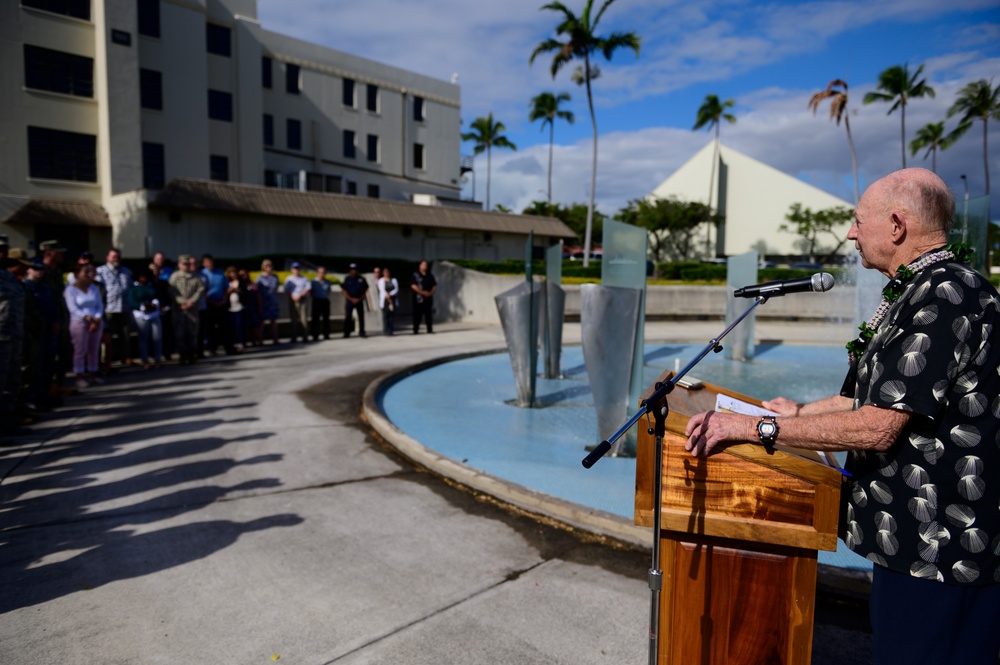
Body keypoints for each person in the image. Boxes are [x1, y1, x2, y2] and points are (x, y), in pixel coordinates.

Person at [683, 168, 1000, 665]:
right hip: (911, 550)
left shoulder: (946, 294)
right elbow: (866, 399)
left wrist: (756, 428)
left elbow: (879, 424)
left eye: (857, 220)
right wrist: (799, 412)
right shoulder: (914, 290)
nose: (850, 233)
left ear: (896, 225)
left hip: (941, 554)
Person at [22, 257, 58, 412]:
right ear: (28, 269)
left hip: (49, 330)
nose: (39, 272)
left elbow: (53, 307)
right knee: (36, 364)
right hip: (35, 332)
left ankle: (44, 393)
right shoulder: (25, 287)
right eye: (35, 269)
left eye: (41, 269)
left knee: (48, 363)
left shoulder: (45, 287)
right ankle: (33, 397)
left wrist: (56, 321)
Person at [0, 239, 27, 435]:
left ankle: (7, 423)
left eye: (4, 250)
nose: (2, 254)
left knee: (12, 382)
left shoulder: (7, 276)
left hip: (14, 333)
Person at [64, 263, 104, 388]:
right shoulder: (70, 290)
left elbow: (99, 305)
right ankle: (79, 376)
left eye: (92, 271)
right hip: (79, 322)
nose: (89, 274)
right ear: (77, 274)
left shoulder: (94, 288)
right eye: (86, 272)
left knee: (93, 349)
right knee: (80, 350)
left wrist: (97, 318)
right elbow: (72, 308)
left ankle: (93, 374)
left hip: (96, 321)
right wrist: (87, 318)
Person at [95, 247, 133, 370]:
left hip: (124, 308)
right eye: (113, 256)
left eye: (117, 256)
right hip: (109, 308)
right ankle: (106, 361)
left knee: (125, 335)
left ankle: (126, 357)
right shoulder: (100, 271)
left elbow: (130, 288)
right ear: (107, 257)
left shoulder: (126, 271)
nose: (115, 259)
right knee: (107, 337)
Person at [168, 255, 206, 365]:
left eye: (188, 264)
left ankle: (191, 355)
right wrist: (182, 302)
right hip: (179, 310)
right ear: (179, 265)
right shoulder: (174, 277)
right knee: (180, 334)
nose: (186, 266)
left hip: (192, 310)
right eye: (184, 264)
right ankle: (182, 355)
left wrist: (191, 302)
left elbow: (201, 290)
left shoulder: (196, 277)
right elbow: (172, 291)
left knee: (192, 333)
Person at [126, 268, 162, 368]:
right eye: (141, 277)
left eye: (145, 276)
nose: (144, 279)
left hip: (154, 314)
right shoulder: (134, 288)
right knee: (143, 338)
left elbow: (157, 296)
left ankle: (157, 359)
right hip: (141, 315)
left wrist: (154, 304)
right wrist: (142, 306)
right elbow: (132, 301)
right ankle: (145, 360)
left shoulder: (151, 286)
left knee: (157, 337)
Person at [200, 254, 230, 354]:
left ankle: (228, 348)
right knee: (210, 328)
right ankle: (212, 349)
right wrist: (211, 301)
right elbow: (202, 292)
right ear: (203, 264)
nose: (210, 263)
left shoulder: (220, 272)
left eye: (211, 261)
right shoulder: (202, 274)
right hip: (209, 303)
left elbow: (226, 287)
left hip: (221, 302)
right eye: (207, 262)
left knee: (224, 326)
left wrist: (224, 299)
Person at [149, 262, 174, 360]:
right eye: (153, 271)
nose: (155, 272)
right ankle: (153, 354)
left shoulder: (163, 283)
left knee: (166, 332)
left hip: (164, 311)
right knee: (153, 335)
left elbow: (169, 297)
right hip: (151, 312)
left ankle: (167, 353)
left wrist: (166, 307)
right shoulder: (147, 284)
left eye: (157, 270)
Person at [283, 262, 311, 342]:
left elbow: (307, 289)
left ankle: (305, 336)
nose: (296, 270)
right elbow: (286, 290)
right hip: (293, 300)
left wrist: (300, 295)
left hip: (302, 300)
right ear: (292, 269)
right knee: (294, 320)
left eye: (298, 268)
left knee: (304, 319)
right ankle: (294, 337)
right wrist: (293, 296)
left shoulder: (304, 278)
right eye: (295, 268)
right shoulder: (289, 279)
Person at [255, 259, 280, 345]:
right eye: (266, 266)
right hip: (264, 302)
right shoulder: (260, 278)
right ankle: (260, 341)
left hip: (273, 302)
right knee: (262, 322)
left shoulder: (275, 277)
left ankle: (275, 339)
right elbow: (256, 291)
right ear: (263, 267)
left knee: (274, 321)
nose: (269, 268)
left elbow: (276, 288)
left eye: (270, 266)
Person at [341, 263, 369, 338]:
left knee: (361, 316)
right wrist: (350, 298)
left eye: (355, 269)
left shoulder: (361, 279)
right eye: (352, 269)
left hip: (359, 300)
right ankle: (347, 332)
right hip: (350, 300)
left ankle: (362, 331)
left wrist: (360, 298)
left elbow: (365, 289)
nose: (354, 271)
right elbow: (344, 290)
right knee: (348, 317)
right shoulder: (347, 279)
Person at [411, 260, 437, 334]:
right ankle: (415, 330)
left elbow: (434, 285)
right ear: (420, 265)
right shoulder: (415, 275)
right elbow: (413, 285)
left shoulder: (430, 275)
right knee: (417, 315)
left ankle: (429, 329)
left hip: (428, 298)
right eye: (423, 265)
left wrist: (430, 293)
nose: (425, 266)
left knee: (428, 315)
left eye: (426, 265)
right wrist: (422, 292)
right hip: (418, 299)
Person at [237, 268, 261, 348]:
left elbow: (257, 296)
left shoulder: (252, 285)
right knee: (245, 326)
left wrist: (260, 306)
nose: (244, 276)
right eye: (242, 275)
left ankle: (255, 341)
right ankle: (244, 342)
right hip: (243, 307)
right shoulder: (239, 285)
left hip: (252, 307)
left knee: (254, 325)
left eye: (245, 274)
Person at [224, 266, 244, 352]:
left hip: (239, 307)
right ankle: (232, 343)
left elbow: (244, 293)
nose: (232, 274)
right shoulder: (227, 282)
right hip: (230, 307)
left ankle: (241, 343)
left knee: (239, 326)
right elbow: (224, 293)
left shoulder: (240, 282)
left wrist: (237, 290)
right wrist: (228, 291)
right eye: (230, 272)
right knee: (230, 327)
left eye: (234, 272)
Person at [310, 266, 333, 341]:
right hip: (316, 301)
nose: (321, 274)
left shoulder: (327, 282)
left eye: (323, 273)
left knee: (326, 319)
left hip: (325, 301)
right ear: (317, 273)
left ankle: (326, 335)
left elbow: (329, 291)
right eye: (319, 272)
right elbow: (311, 292)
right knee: (315, 319)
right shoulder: (313, 282)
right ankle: (315, 335)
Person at [377, 267, 399, 336]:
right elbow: (382, 290)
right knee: (385, 316)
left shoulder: (394, 280)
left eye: (387, 272)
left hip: (392, 300)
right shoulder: (381, 280)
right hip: (385, 301)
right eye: (385, 272)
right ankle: (386, 330)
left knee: (391, 316)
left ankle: (391, 330)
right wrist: (387, 295)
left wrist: (391, 294)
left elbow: (396, 289)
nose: (386, 273)